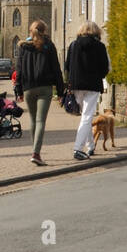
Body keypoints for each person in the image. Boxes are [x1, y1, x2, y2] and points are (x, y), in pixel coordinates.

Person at [15, 19, 64, 166]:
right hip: (45, 88)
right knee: (40, 120)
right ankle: (36, 153)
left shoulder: (23, 47)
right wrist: (61, 91)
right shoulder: (49, 46)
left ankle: (35, 151)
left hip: (28, 88)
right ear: (45, 31)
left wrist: (18, 90)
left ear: (31, 31)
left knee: (32, 119)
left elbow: (19, 70)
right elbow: (56, 69)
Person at [66, 20, 110, 160]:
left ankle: (90, 146)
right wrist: (98, 76)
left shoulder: (73, 45)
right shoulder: (100, 46)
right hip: (92, 85)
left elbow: (67, 66)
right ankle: (77, 149)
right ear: (96, 32)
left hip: (76, 85)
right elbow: (105, 68)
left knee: (86, 117)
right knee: (87, 117)